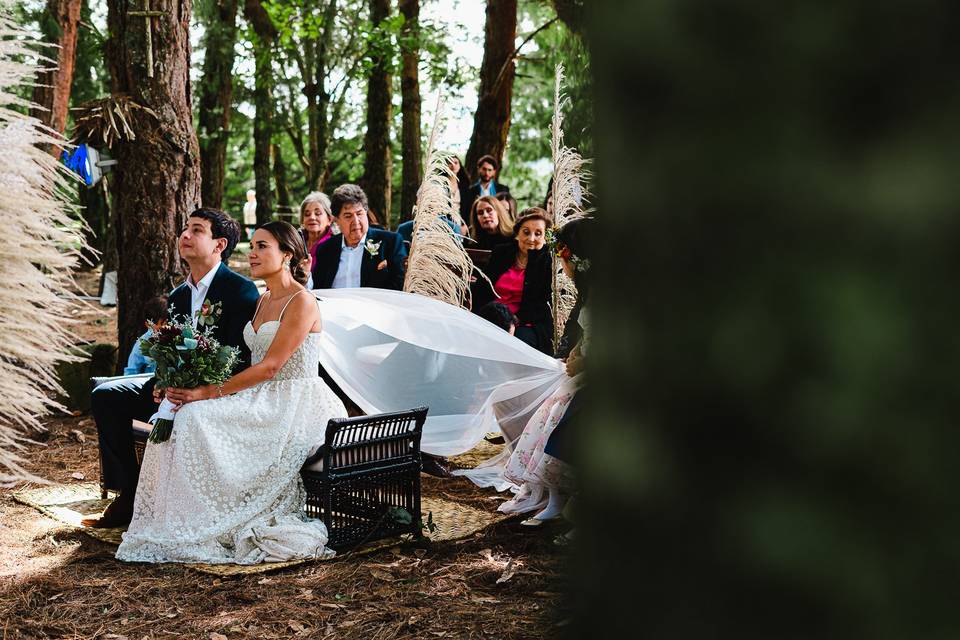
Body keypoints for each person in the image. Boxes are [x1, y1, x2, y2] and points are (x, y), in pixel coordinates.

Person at [116, 221, 348, 565]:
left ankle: (211, 519)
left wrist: (208, 393)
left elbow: (270, 367)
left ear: (287, 254)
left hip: (293, 402)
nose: (252, 254)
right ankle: (188, 518)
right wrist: (185, 382)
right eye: (252, 246)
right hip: (260, 396)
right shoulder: (264, 298)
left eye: (262, 247)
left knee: (196, 416)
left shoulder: (302, 302)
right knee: (182, 414)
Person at [83, 209, 260, 528]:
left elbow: (239, 357)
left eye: (196, 230)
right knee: (106, 395)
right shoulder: (178, 296)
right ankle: (131, 490)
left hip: (217, 393)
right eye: (184, 229)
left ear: (219, 244)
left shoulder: (240, 290)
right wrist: (163, 382)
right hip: (174, 389)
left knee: (185, 412)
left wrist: (196, 391)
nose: (185, 236)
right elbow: (169, 350)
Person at [496, 217, 592, 526]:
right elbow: (582, 334)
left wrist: (583, 360)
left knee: (555, 416)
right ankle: (546, 495)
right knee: (539, 411)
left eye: (564, 259)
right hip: (579, 370)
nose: (562, 266)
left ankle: (566, 500)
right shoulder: (587, 292)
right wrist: (575, 353)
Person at [472, 208, 554, 355]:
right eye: (526, 232)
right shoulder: (501, 252)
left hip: (526, 322)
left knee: (515, 344)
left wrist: (512, 322)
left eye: (538, 233)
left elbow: (541, 305)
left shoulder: (548, 262)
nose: (531, 238)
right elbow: (482, 289)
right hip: (492, 316)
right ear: (517, 233)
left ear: (545, 237)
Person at [310, 184, 406, 290]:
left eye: (359, 214)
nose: (356, 221)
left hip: (375, 304)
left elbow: (399, 283)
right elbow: (318, 288)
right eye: (348, 216)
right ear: (336, 220)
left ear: (366, 212)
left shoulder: (390, 242)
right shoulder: (326, 249)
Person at [122, 295, 167, 375]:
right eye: (160, 325)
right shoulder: (142, 344)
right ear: (148, 325)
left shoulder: (178, 337)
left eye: (167, 323)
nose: (165, 327)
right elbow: (131, 371)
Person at [299, 192, 334, 289]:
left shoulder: (334, 245)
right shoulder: (295, 242)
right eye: (307, 214)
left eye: (318, 213)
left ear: (329, 219)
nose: (312, 217)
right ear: (302, 220)